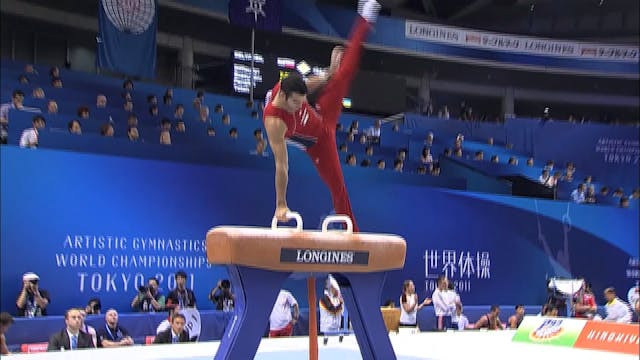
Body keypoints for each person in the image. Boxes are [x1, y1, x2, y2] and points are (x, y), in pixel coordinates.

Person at [263, 0, 381, 232]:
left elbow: (310, 85)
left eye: (301, 100)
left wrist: (329, 73)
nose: (300, 105)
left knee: (344, 74)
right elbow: (281, 165)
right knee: (338, 188)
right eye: (296, 103)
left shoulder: (291, 88)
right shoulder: (274, 122)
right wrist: (281, 204)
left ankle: (364, 19)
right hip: (318, 144)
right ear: (283, 97)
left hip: (323, 115)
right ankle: (354, 233)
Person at [319, 275, 344, 343]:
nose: (337, 291)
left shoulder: (337, 299)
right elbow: (332, 310)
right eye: (335, 289)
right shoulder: (324, 299)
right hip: (327, 329)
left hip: (337, 329)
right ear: (330, 288)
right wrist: (341, 303)